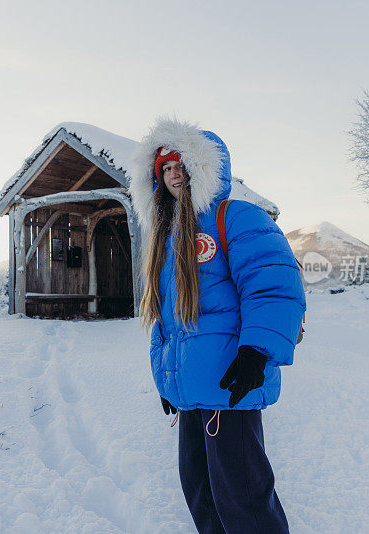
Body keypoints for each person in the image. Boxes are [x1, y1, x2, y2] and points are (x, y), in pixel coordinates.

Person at [128, 117, 306, 534]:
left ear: (203, 169)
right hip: (191, 391)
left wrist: (255, 352)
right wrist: (166, 380)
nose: (174, 175)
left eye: (181, 165)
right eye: (165, 168)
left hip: (231, 383)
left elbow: (274, 285)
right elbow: (166, 321)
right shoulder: (167, 238)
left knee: (242, 499)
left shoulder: (237, 218)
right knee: (200, 492)